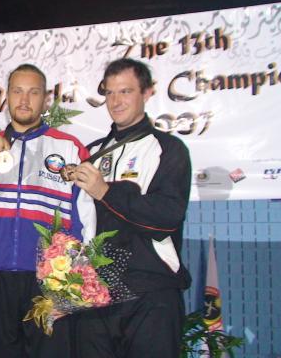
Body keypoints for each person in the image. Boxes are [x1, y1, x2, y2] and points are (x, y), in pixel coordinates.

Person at [0, 64, 96, 358]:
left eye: (33, 92)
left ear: (46, 99)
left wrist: (74, 284)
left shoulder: (70, 149)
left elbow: (86, 218)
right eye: (17, 91)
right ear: (6, 97)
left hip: (50, 280)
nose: (24, 100)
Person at [71, 58, 192, 358]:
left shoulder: (169, 148)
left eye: (125, 91)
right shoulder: (92, 152)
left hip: (150, 293)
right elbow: (78, 221)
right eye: (110, 93)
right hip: (96, 294)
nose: (115, 101)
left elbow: (167, 216)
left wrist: (106, 192)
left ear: (147, 93)